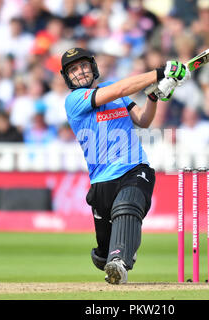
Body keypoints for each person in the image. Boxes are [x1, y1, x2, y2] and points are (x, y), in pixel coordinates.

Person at [60, 47, 190, 284]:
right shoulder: (74, 101)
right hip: (101, 181)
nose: (80, 72)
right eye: (73, 69)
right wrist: (160, 73)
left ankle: (120, 263)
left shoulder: (115, 93)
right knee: (103, 254)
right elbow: (120, 88)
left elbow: (143, 120)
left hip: (134, 168)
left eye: (83, 66)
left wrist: (154, 97)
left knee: (128, 207)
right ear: (68, 77)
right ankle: (111, 253)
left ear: (92, 67)